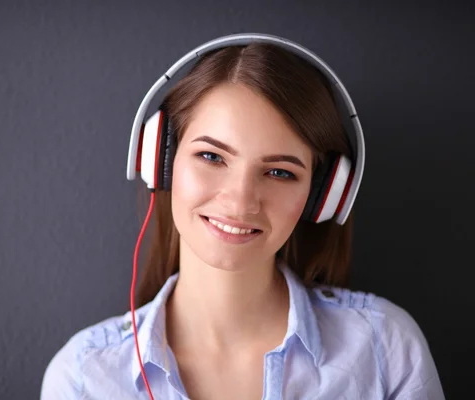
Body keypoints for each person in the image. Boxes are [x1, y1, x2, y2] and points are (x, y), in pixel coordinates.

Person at [40, 34, 445, 399]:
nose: (240, 201)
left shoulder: (385, 349)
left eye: (280, 172)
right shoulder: (83, 377)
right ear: (160, 161)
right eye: (211, 156)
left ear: (323, 196)